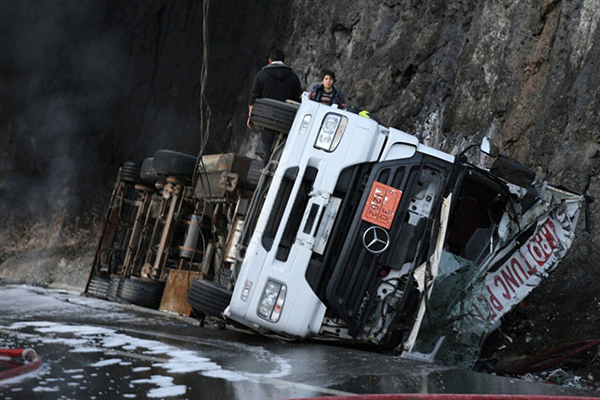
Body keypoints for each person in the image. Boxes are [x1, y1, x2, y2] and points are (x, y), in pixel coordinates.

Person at [247, 49, 303, 165]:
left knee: (266, 149)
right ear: (284, 60)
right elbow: (299, 98)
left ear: (270, 60)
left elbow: (253, 97)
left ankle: (264, 172)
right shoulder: (293, 76)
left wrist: (250, 116)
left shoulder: (261, 75)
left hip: (267, 118)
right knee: (285, 150)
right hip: (287, 121)